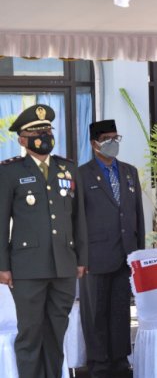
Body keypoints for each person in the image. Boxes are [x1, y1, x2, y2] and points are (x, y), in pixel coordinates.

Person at [0, 104, 87, 377]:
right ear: (22, 140)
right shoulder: (9, 172)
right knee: (30, 334)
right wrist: (3, 265)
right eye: (37, 131)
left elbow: (79, 219)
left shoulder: (68, 168)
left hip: (64, 266)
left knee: (56, 333)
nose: (44, 135)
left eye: (47, 129)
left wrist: (82, 259)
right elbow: (1, 222)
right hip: (27, 268)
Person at [78, 119, 145, 377]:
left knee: (120, 312)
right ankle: (99, 363)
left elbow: (137, 213)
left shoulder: (129, 172)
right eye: (107, 138)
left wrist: (137, 253)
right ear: (95, 143)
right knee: (95, 313)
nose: (112, 143)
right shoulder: (82, 174)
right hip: (95, 256)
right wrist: (80, 257)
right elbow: (78, 219)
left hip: (124, 255)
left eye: (116, 138)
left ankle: (119, 360)